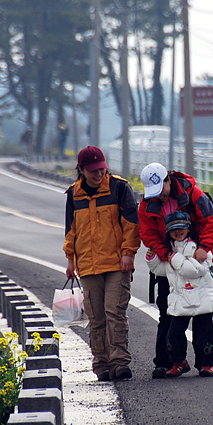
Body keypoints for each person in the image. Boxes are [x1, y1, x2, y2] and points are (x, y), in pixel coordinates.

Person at [138, 162, 213, 378]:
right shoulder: (147, 204)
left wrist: (204, 248)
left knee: (203, 318)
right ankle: (167, 362)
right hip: (171, 263)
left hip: (198, 258)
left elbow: (212, 221)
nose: (160, 197)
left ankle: (207, 362)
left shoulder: (192, 193)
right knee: (168, 314)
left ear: (168, 180)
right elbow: (148, 234)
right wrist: (165, 254)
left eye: (162, 191)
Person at [64, 146, 140, 381]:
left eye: (102, 169)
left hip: (118, 263)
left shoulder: (119, 188)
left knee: (114, 312)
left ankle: (119, 362)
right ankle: (102, 364)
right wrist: (70, 260)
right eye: (94, 171)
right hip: (87, 265)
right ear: (82, 170)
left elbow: (131, 225)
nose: (99, 174)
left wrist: (129, 253)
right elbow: (70, 231)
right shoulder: (73, 195)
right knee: (96, 317)